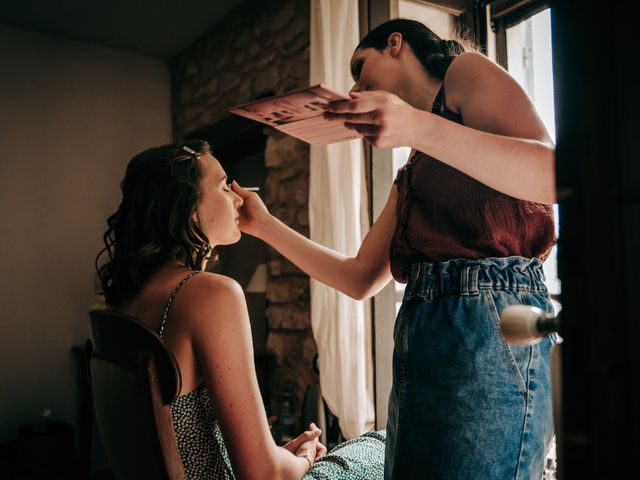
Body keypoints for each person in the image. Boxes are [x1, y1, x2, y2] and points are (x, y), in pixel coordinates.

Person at [232, 18, 557, 480]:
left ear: (395, 43)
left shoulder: (464, 72)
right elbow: (360, 277)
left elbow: (552, 174)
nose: (356, 87)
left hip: (488, 331)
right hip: (421, 342)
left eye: (361, 69)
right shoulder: (414, 169)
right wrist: (262, 225)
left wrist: (417, 127)